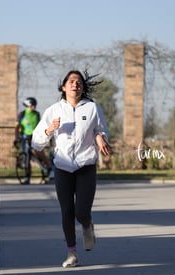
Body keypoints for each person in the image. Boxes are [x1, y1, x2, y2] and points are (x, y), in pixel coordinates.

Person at [32, 70, 111, 268]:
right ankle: (72, 253)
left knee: (81, 211)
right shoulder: (54, 110)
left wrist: (100, 137)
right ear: (64, 87)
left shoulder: (93, 108)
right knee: (66, 211)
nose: (75, 84)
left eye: (79, 82)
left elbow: (101, 129)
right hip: (63, 167)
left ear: (83, 88)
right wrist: (49, 130)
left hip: (86, 165)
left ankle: (87, 225)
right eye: (71, 81)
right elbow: (36, 142)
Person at [15, 97, 54, 185]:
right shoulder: (22, 114)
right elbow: (17, 127)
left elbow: (40, 125)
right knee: (27, 157)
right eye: (32, 105)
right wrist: (16, 138)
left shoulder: (36, 114)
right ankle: (27, 177)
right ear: (28, 105)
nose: (34, 107)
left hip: (35, 137)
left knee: (39, 152)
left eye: (34, 105)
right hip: (25, 138)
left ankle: (50, 169)